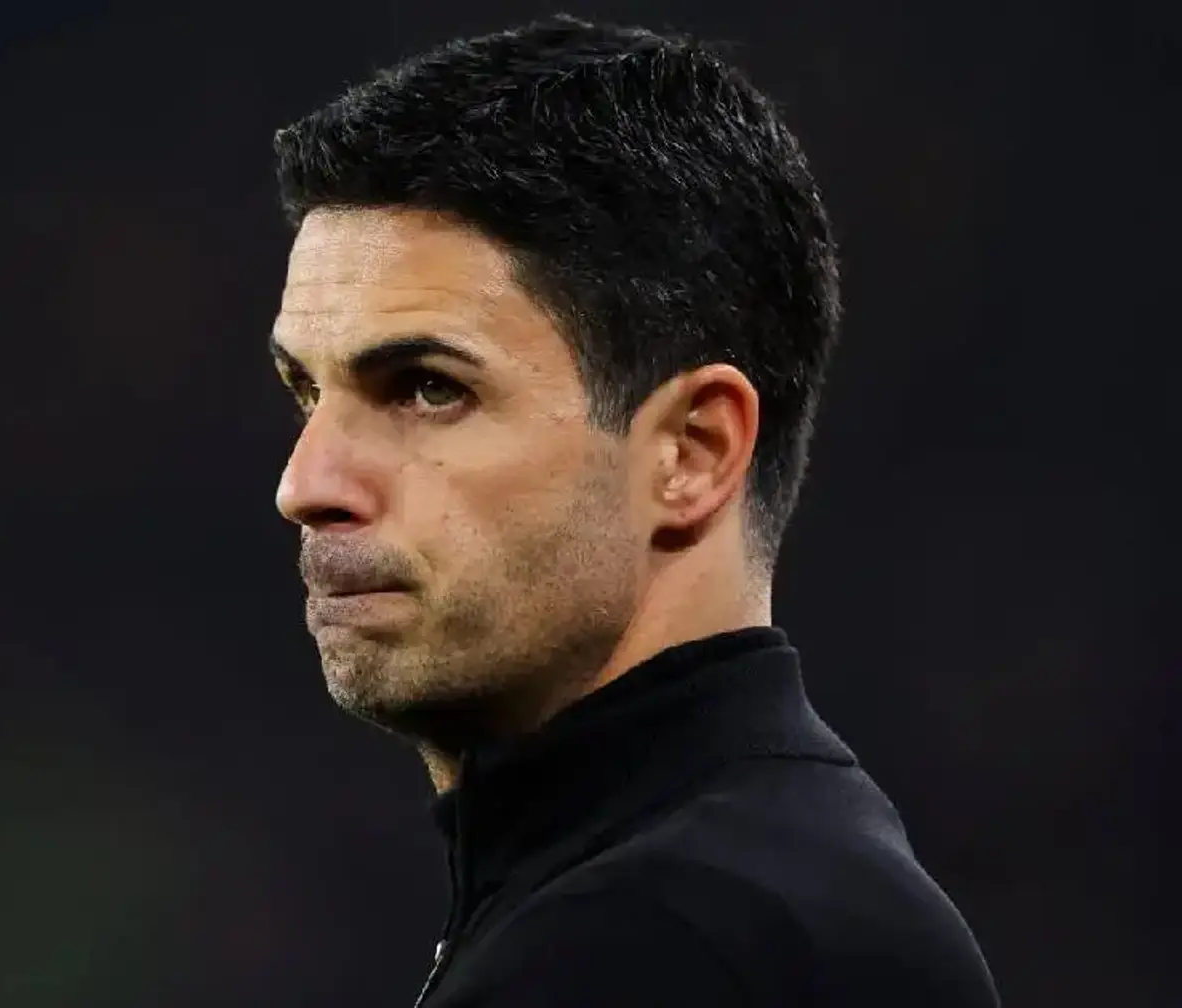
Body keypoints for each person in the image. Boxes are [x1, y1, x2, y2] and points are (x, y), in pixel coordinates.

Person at [266, 17, 999, 1007]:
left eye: (428, 388)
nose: (306, 483)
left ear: (692, 453)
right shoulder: (773, 888)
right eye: (307, 393)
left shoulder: (648, 947)